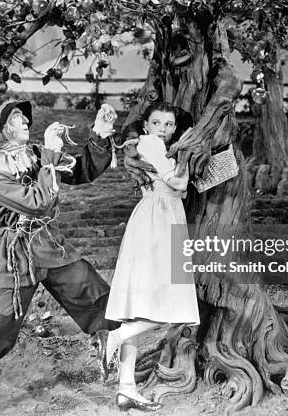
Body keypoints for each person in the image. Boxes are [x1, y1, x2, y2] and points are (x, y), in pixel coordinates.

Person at [0, 89, 120, 416]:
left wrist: (100, 133)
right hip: (13, 257)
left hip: (48, 243)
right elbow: (39, 201)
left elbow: (80, 169)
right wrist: (49, 153)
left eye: (22, 115)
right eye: (15, 117)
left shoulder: (32, 153)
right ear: (1, 129)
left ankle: (111, 352)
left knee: (92, 290)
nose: (24, 120)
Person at [103, 102, 200, 412]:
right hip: (159, 219)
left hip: (163, 218)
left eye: (169, 124)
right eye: (156, 122)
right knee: (173, 301)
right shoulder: (151, 143)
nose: (163, 128)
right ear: (146, 125)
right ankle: (117, 336)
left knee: (140, 304)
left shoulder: (156, 147)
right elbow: (178, 182)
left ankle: (126, 388)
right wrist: (184, 164)